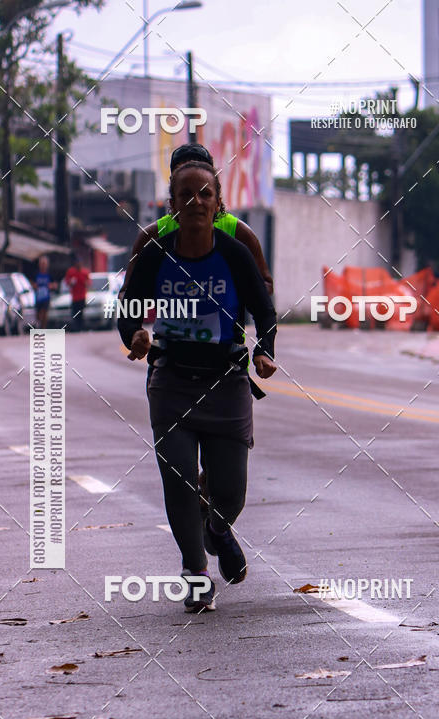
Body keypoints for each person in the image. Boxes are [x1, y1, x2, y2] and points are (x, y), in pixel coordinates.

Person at [118, 160, 277, 613]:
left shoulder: (234, 253)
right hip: (170, 383)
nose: (196, 202)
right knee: (181, 479)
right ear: (172, 205)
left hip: (226, 383)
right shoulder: (155, 252)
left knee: (229, 493)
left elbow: (263, 309)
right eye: (185, 195)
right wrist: (136, 335)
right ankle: (195, 571)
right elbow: (129, 310)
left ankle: (218, 528)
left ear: (217, 202)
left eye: (204, 194)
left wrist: (264, 350)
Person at [119, 143, 274, 298]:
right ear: (173, 185)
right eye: (183, 172)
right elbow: (127, 295)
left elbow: (266, 285)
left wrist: (228, 292)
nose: (192, 177)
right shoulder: (152, 235)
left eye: (200, 171)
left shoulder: (239, 232)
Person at [64, 258, 91, 331]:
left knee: (81, 312)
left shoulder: (85, 272)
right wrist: (71, 282)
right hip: (74, 297)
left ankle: (81, 327)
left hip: (82, 296)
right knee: (75, 312)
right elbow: (67, 282)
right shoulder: (71, 272)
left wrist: (86, 283)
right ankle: (76, 327)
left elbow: (88, 283)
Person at [33, 256, 56, 328]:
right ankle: (39, 325)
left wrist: (51, 286)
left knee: (44, 314)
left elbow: (55, 284)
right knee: (38, 315)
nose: (43, 266)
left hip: (46, 297)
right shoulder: (36, 274)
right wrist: (35, 286)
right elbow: (32, 283)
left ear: (47, 265)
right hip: (38, 297)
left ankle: (43, 328)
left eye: (44, 264)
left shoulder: (50, 274)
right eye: (41, 264)